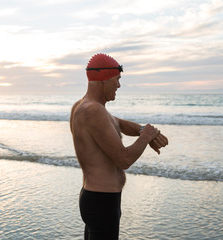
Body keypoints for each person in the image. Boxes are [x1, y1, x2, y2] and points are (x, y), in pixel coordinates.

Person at [70, 53, 168, 240]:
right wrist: (147, 136)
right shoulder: (93, 111)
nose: (119, 86)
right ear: (104, 80)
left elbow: (118, 124)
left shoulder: (87, 107)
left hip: (98, 199)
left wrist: (142, 130)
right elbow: (124, 159)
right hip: (101, 201)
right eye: (117, 80)